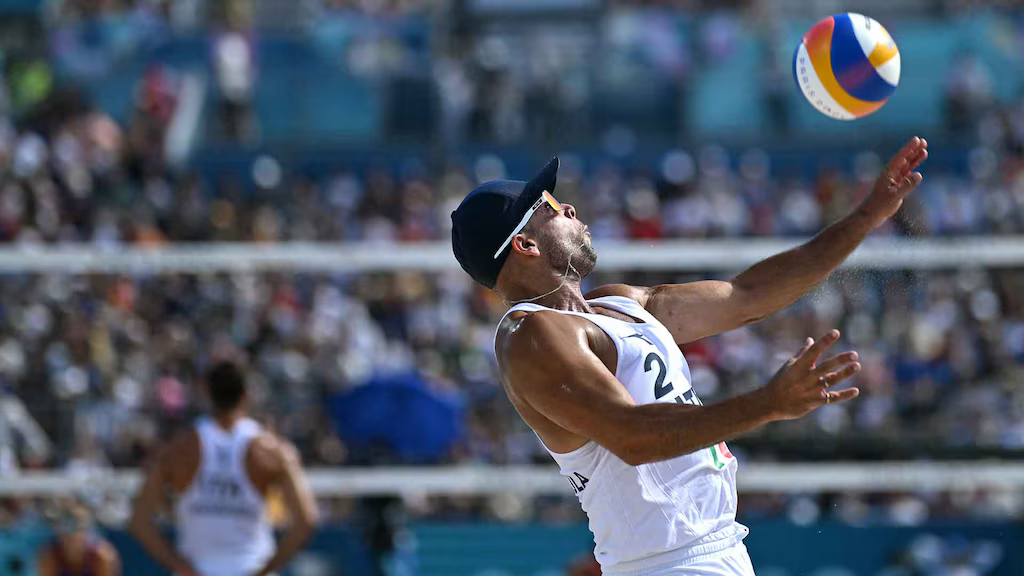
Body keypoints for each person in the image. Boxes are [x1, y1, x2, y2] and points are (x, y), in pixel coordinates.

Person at [450, 137, 928, 575]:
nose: (570, 207)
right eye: (551, 206)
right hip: (664, 565)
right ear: (525, 244)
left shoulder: (618, 304)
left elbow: (750, 294)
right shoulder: (530, 334)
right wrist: (768, 403)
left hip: (714, 548)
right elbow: (633, 437)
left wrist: (866, 216)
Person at [129, 360, 318, 576]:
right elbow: (306, 520)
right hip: (249, 566)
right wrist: (267, 569)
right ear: (247, 395)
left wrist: (180, 566)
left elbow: (140, 522)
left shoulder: (179, 451)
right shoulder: (271, 452)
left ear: (206, 392)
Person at [37, 501, 120, 576]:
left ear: (85, 533)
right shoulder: (50, 556)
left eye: (76, 530)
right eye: (65, 531)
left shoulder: (101, 557)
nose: (70, 537)